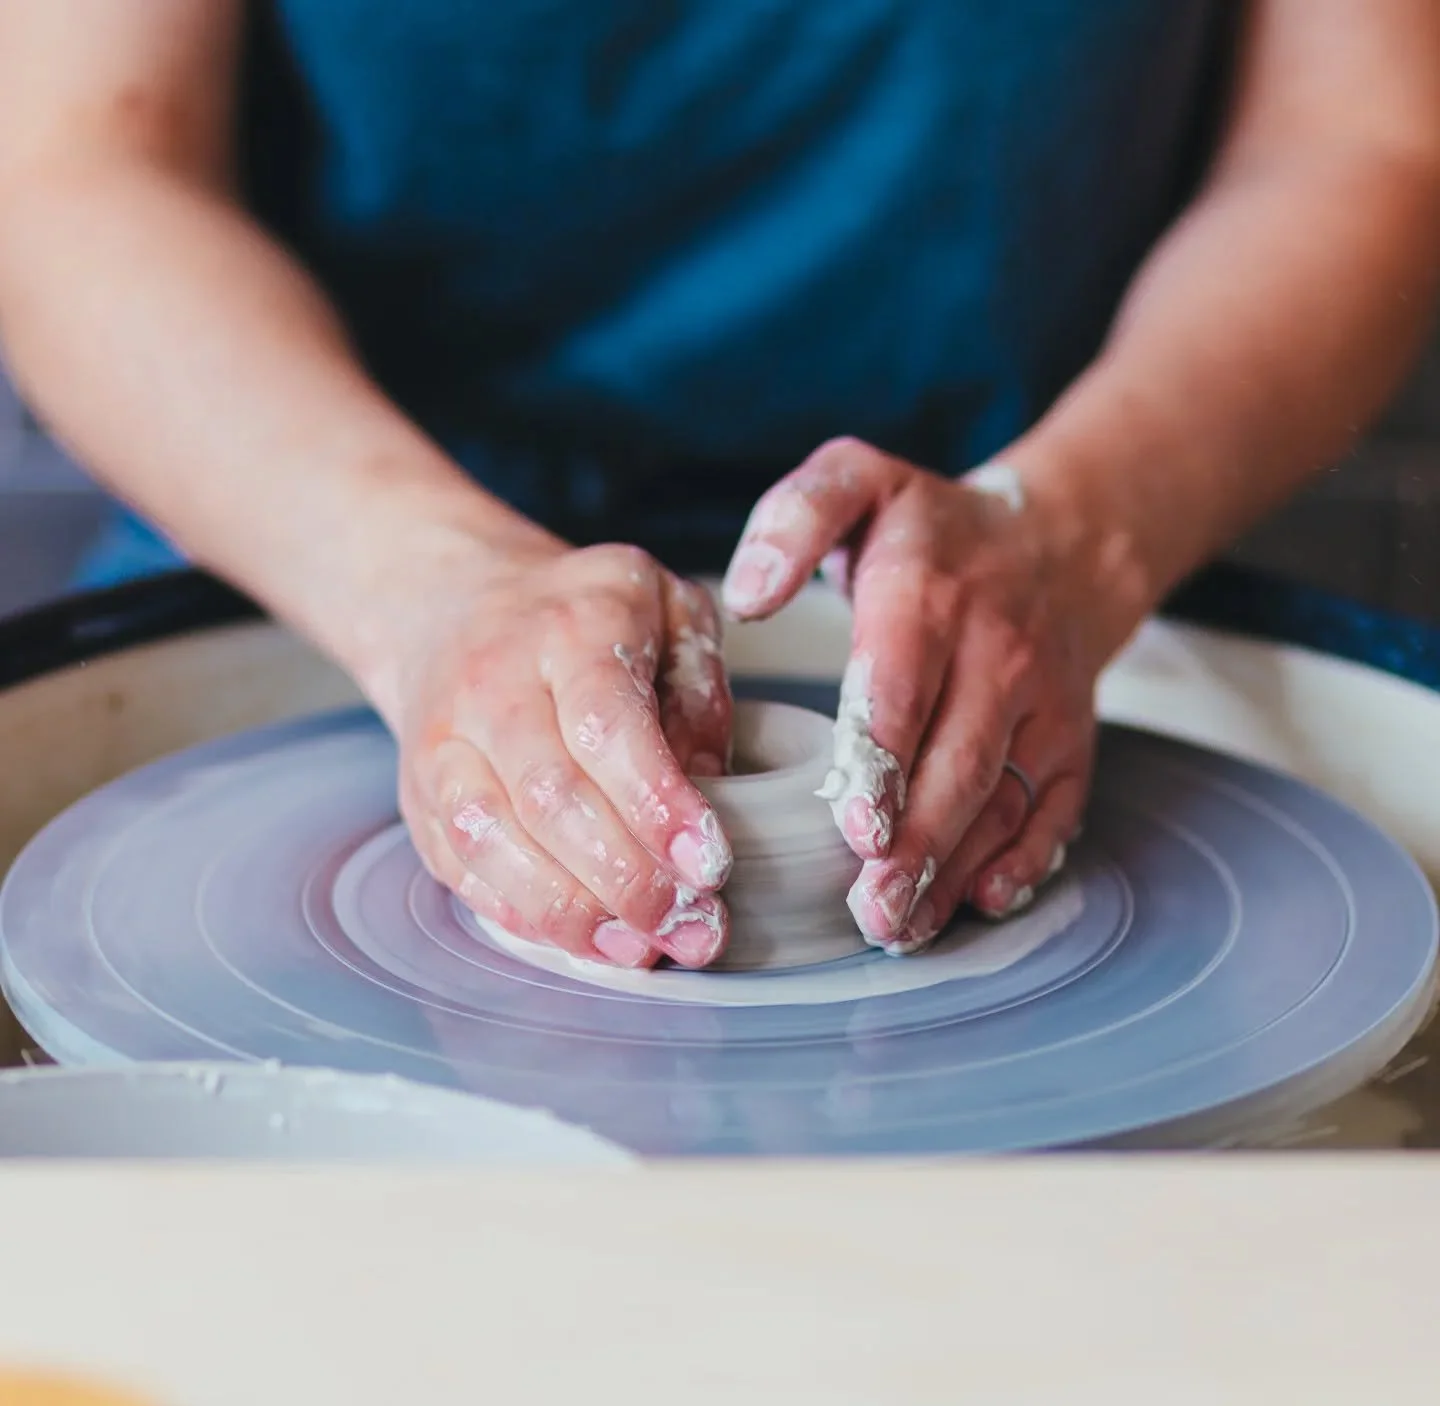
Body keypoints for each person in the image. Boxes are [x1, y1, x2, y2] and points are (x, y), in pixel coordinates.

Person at [1, 3, 1438, 972]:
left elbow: (1359, 139)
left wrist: (1072, 533)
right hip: (333, 526)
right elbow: (72, 164)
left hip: (1028, 540)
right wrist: (427, 589)